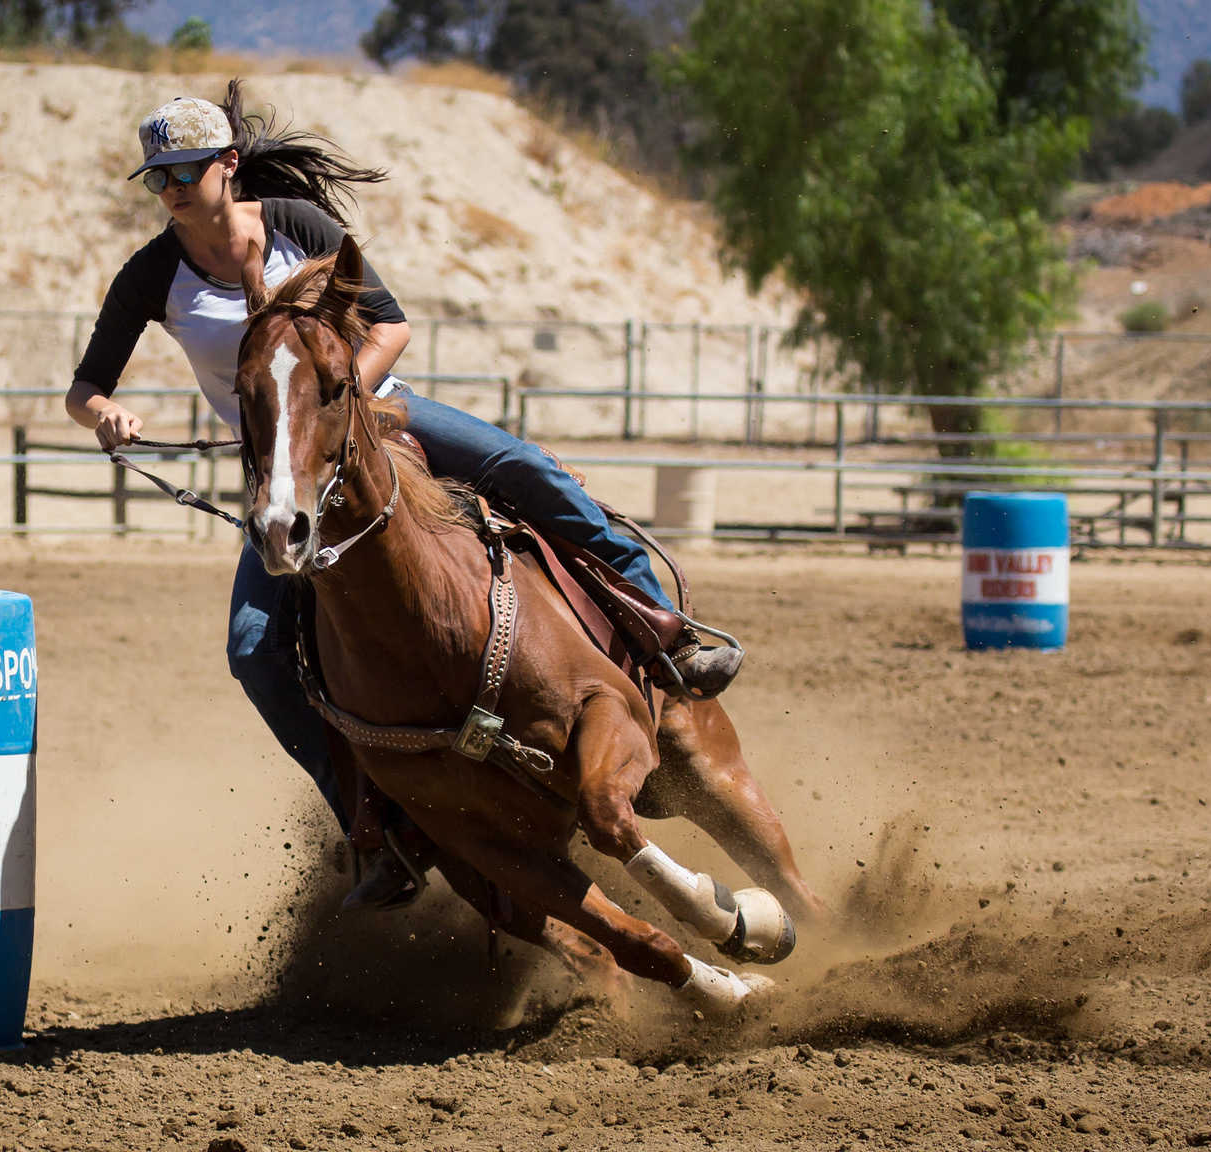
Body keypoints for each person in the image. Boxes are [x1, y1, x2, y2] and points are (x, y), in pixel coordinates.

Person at [66, 83, 742, 908]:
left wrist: (342, 406)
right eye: (157, 177)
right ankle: (372, 822)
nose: (171, 189)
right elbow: (85, 387)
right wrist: (106, 414)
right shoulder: (150, 276)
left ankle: (664, 634)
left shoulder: (297, 227)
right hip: (288, 469)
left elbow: (390, 324)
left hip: (377, 412)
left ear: (228, 166)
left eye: (186, 171)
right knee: (255, 650)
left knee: (527, 471)